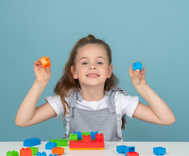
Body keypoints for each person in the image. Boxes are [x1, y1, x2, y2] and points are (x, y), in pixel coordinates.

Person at [15, 34, 175, 141]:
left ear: (108, 71)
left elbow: (166, 119)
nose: (92, 66)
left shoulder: (119, 101)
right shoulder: (66, 100)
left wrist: (143, 87)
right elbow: (23, 120)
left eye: (99, 62)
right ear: (74, 72)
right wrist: (40, 83)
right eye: (85, 62)